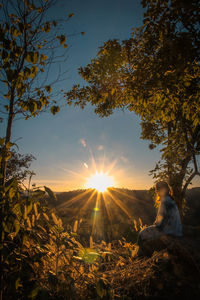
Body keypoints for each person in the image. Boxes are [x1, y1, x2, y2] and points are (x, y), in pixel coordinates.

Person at [137, 181, 182, 255]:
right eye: (156, 189)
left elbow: (161, 224)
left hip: (168, 232)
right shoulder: (170, 199)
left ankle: (140, 256)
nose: (157, 191)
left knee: (141, 234)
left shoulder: (165, 201)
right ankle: (141, 255)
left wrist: (153, 227)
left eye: (158, 189)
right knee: (145, 232)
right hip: (175, 231)